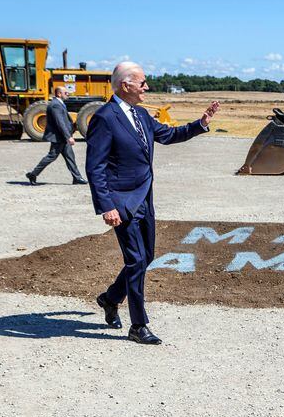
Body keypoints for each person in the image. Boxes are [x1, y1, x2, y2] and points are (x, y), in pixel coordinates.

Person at [86, 62, 220, 345]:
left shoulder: (141, 115)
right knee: (135, 260)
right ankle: (138, 325)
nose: (147, 87)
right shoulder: (105, 118)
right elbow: (95, 167)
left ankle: (110, 299)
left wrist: (201, 123)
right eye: (142, 83)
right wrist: (106, 205)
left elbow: (168, 135)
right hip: (121, 202)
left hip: (145, 197)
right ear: (126, 86)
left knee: (145, 258)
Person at [25, 87, 86, 185]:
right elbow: (60, 122)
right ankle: (33, 174)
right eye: (66, 92)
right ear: (59, 94)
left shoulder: (59, 104)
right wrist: (68, 136)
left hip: (62, 137)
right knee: (51, 156)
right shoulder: (55, 105)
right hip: (59, 137)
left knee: (70, 157)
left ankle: (77, 178)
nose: (68, 94)